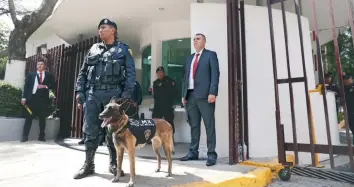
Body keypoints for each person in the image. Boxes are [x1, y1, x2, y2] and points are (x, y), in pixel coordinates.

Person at [73, 18, 135, 179]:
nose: (100, 30)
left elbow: (130, 73)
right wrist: (80, 91)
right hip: (92, 94)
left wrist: (126, 95)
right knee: (90, 130)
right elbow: (83, 72)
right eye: (99, 28)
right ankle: (89, 164)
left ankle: (114, 164)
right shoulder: (93, 48)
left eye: (103, 27)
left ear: (113, 30)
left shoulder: (123, 50)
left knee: (113, 131)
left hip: (113, 96)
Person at [180, 33, 220, 166]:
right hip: (190, 96)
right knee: (194, 125)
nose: (195, 41)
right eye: (194, 39)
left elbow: (215, 74)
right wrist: (183, 94)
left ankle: (211, 154)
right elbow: (185, 78)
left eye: (198, 39)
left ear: (204, 41)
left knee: (209, 126)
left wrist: (212, 92)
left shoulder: (210, 55)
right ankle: (193, 152)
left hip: (205, 96)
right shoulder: (189, 58)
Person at [20, 57, 56, 142]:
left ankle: (41, 136)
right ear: (36, 66)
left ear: (44, 66)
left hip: (43, 100)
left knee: (42, 119)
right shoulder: (31, 75)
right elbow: (26, 87)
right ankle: (25, 136)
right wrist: (24, 98)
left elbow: (53, 86)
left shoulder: (49, 75)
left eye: (41, 64)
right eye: (38, 64)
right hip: (31, 100)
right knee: (29, 117)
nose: (39, 66)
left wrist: (45, 86)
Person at [152, 66, 177, 136]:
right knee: (155, 122)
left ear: (164, 73)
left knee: (169, 122)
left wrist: (172, 103)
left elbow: (174, 93)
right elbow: (155, 95)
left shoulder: (170, 81)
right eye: (158, 73)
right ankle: (154, 137)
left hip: (167, 106)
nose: (159, 74)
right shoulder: (155, 83)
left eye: (161, 72)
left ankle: (171, 137)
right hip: (158, 106)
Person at [343, 73, 354, 145]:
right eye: (344, 79)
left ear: (351, 79)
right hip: (349, 112)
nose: (345, 80)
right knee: (352, 128)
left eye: (347, 78)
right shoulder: (343, 88)